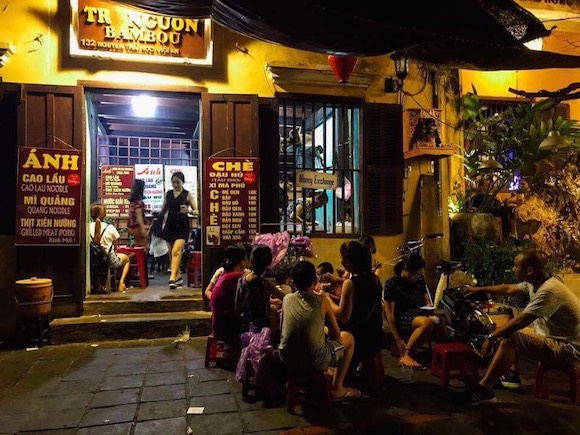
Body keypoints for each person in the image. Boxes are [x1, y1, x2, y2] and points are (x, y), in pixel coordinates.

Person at [461, 250, 580, 405]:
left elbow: (522, 321)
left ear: (529, 270)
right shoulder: (536, 282)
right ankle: (509, 375)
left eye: (516, 266)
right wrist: (478, 289)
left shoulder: (549, 291)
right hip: (555, 338)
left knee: (513, 336)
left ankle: (484, 389)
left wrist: (491, 337)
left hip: (570, 349)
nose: (513, 269)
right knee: (509, 331)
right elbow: (508, 289)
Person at [279, 261, 361, 401]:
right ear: (314, 280)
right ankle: (337, 388)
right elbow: (336, 334)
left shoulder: (287, 298)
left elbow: (283, 329)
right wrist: (323, 328)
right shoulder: (322, 300)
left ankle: (327, 376)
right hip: (314, 360)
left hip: (287, 358)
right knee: (348, 337)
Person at [384, 254, 447, 369]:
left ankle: (442, 354)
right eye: (414, 273)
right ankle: (407, 355)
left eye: (418, 273)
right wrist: (398, 339)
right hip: (402, 316)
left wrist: (429, 308)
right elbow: (389, 314)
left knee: (439, 321)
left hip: (419, 313)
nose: (416, 276)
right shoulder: (392, 283)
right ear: (405, 269)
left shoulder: (419, 280)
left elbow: (426, 300)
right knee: (426, 323)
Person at [327, 241, 384, 367]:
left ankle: (336, 373)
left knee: (327, 328)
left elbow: (343, 316)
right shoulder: (374, 279)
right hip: (375, 335)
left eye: (343, 259)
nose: (341, 262)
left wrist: (327, 300)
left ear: (349, 261)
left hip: (358, 337)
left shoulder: (350, 283)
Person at [235, 245, 287, 335]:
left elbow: (237, 309)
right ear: (268, 263)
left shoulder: (241, 281)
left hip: (245, 328)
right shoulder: (265, 284)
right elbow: (285, 298)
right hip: (262, 330)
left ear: (251, 260)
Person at [161, 171, 198, 290]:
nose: (175, 184)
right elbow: (164, 208)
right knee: (171, 252)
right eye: (173, 182)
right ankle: (178, 276)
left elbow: (197, 211)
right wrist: (158, 217)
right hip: (170, 225)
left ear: (183, 182)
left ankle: (172, 278)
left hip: (182, 225)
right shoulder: (168, 194)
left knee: (176, 251)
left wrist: (189, 211)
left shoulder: (187, 195)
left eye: (178, 182)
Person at [89, 203, 132, 293]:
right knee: (126, 259)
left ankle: (99, 285)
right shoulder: (110, 227)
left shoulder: (87, 227)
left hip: (92, 261)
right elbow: (115, 248)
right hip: (109, 261)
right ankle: (121, 284)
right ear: (104, 215)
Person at [209, 245, 247, 340]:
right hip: (227, 328)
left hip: (218, 325)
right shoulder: (236, 276)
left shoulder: (224, 274)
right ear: (242, 261)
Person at [128, 179, 148, 248]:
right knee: (142, 248)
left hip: (131, 227)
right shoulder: (139, 202)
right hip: (138, 228)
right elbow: (139, 216)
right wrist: (142, 228)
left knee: (135, 247)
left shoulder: (132, 202)